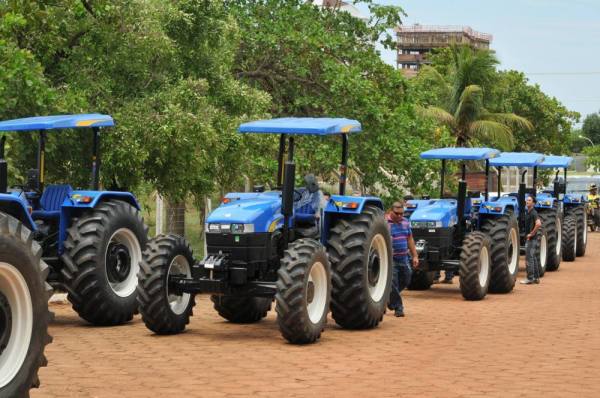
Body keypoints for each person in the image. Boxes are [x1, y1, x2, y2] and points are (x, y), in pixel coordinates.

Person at [386, 200, 419, 317]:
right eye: (397, 213)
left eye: (402, 214)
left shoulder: (405, 222)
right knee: (393, 282)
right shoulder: (385, 222)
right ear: (391, 211)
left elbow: (410, 239)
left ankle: (388, 298)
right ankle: (398, 307)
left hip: (404, 257)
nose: (400, 216)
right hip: (391, 259)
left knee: (407, 278)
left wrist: (415, 256)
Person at [521, 195, 543, 285]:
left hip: (532, 239)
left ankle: (530, 278)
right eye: (527, 200)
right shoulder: (529, 212)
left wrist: (531, 234)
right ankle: (536, 278)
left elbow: (538, 224)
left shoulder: (533, 213)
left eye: (529, 200)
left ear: (533, 203)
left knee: (529, 258)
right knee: (533, 257)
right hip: (532, 239)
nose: (527, 201)